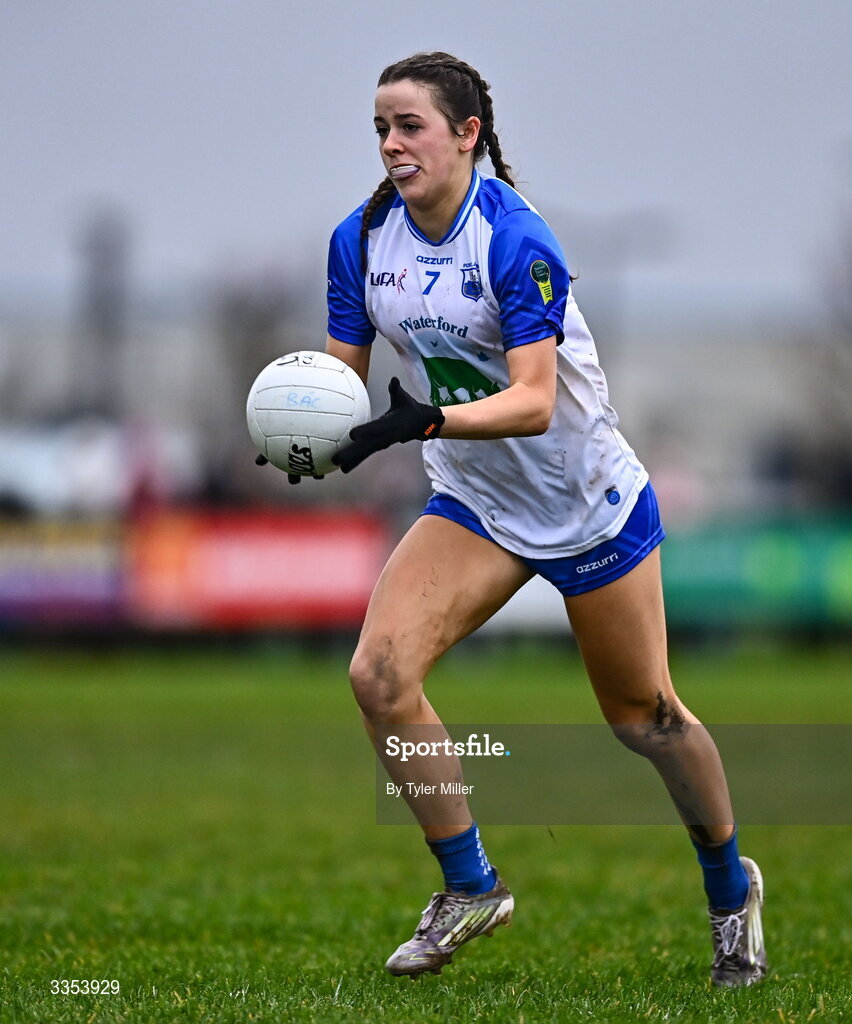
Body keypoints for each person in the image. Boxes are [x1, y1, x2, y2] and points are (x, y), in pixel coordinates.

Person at [319, 51, 766, 987]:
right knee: (379, 674)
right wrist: (306, 430)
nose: (392, 145)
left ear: (467, 133)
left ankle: (732, 892)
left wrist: (427, 419)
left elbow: (531, 399)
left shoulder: (516, 240)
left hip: (585, 502)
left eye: (411, 126)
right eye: (381, 129)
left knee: (643, 717)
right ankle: (470, 886)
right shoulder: (361, 240)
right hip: (478, 502)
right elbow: (337, 383)